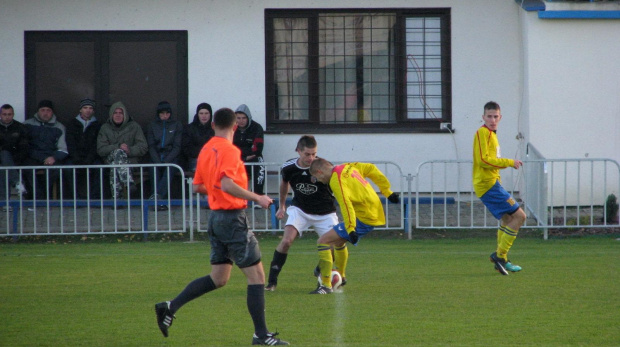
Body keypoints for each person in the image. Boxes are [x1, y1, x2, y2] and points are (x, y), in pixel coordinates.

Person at [154, 107, 289, 345]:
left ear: (213, 124)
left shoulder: (206, 149)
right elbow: (227, 185)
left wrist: (221, 191)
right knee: (257, 276)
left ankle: (170, 307)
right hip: (231, 217)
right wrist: (256, 197)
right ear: (235, 126)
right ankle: (261, 335)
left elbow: (197, 187)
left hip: (216, 218)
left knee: (219, 278)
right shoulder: (229, 150)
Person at [308, 158, 399, 294]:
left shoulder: (335, 181)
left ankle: (325, 286)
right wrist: (387, 191)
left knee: (323, 241)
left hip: (363, 217)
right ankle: (341, 276)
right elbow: (371, 168)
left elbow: (346, 205)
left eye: (317, 178)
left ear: (320, 172)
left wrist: (350, 229)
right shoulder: (348, 167)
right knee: (338, 242)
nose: (319, 181)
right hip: (373, 211)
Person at [265, 135, 339, 292]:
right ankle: (271, 282)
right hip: (301, 210)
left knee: (333, 247)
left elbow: (336, 187)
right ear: (298, 151)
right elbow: (284, 183)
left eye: (314, 154)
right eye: (307, 154)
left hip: (325, 212)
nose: (311, 158)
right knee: (286, 242)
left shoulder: (324, 166)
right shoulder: (289, 167)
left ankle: (321, 272)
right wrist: (282, 206)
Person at [473, 101, 526, 275]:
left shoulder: (492, 135)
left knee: (507, 219)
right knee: (520, 216)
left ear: (500, 117)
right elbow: (483, 160)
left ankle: (501, 259)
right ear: (483, 117)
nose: (493, 119)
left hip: (490, 183)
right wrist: (510, 162)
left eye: (496, 116)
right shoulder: (483, 132)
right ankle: (500, 256)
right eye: (489, 116)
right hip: (487, 184)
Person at [97, 101, 148, 199]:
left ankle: (117, 199)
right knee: (118, 152)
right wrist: (117, 146)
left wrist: (129, 150)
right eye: (115, 113)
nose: (118, 115)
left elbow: (143, 147)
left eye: (120, 113)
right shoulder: (105, 128)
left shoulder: (134, 126)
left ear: (125, 114)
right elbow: (101, 149)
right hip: (109, 159)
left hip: (130, 161)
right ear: (111, 114)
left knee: (115, 166)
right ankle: (128, 182)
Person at [23, 100, 69, 199]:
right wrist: (40, 157)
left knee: (56, 169)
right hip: (32, 156)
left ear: (52, 112)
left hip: (51, 157)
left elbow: (63, 148)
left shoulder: (60, 127)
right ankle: (36, 197)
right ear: (38, 111)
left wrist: (53, 157)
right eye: (42, 110)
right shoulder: (27, 125)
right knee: (26, 168)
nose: (45, 113)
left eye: (48, 110)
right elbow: (24, 146)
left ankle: (43, 196)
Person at [145, 101, 183, 210]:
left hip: (171, 157)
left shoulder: (176, 125)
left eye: (167, 113)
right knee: (154, 171)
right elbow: (151, 145)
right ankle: (159, 202)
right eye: (162, 113)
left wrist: (167, 160)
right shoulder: (152, 125)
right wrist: (157, 161)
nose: (165, 116)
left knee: (169, 170)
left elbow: (177, 146)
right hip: (155, 156)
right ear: (158, 114)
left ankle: (156, 199)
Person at [65, 98, 102, 199]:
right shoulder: (72, 124)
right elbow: (70, 143)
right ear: (80, 110)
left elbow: (96, 144)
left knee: (99, 168)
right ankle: (75, 198)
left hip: (91, 157)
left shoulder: (98, 125)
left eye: (90, 108)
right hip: (74, 157)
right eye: (85, 108)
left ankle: (95, 198)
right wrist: (76, 158)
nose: (88, 110)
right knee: (68, 169)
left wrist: (89, 159)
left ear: (93, 111)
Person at [233, 104, 265, 196]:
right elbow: (229, 147)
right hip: (236, 159)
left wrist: (240, 152)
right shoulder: (231, 128)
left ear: (248, 118)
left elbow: (258, 149)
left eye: (244, 118)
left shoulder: (257, 128)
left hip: (253, 158)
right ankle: (234, 195)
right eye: (238, 118)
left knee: (259, 163)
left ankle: (257, 195)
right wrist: (245, 156)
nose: (241, 121)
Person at [0, 104, 29, 200]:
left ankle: (5, 203)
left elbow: (24, 147)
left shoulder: (20, 127)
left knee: (4, 169)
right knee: (4, 156)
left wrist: (14, 160)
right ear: (0, 115)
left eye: (9, 114)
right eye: (4, 114)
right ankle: (17, 182)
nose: (7, 117)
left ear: (13, 115)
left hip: (15, 159)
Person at [182, 102, 214, 172]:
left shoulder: (215, 129)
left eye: (206, 113)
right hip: (195, 160)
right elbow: (187, 148)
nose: (204, 116)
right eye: (201, 113)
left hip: (212, 161)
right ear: (197, 114)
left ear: (210, 114)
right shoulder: (189, 128)